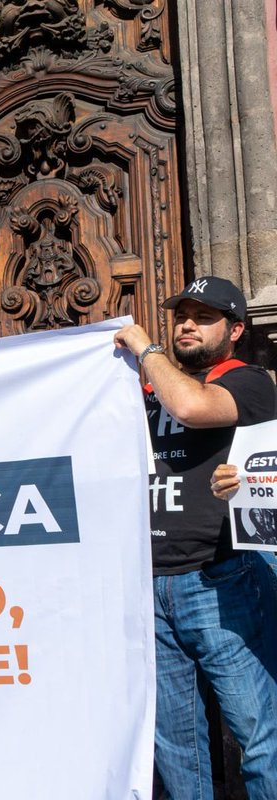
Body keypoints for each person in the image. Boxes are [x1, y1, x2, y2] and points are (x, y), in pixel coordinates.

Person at [114, 276, 277, 797]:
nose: (187, 325)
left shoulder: (249, 382)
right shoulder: (141, 391)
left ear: (235, 330)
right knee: (176, 746)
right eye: (181, 315)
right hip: (149, 582)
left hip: (221, 577)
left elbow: (191, 407)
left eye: (204, 317)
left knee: (259, 735)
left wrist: (146, 348)